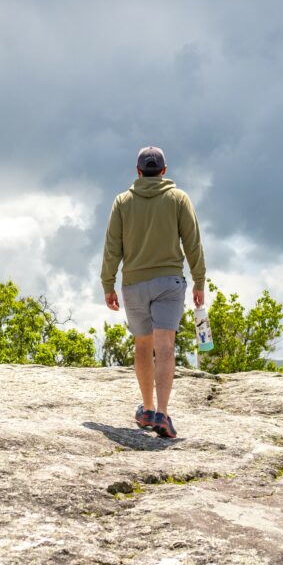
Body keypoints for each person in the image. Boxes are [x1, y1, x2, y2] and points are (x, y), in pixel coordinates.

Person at [100, 146, 206, 439]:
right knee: (166, 347)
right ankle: (162, 413)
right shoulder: (178, 198)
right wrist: (199, 281)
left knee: (143, 345)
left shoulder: (122, 202)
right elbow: (192, 244)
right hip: (169, 282)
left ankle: (146, 409)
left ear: (137, 172)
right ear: (164, 171)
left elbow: (112, 248)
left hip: (133, 283)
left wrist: (107, 284)